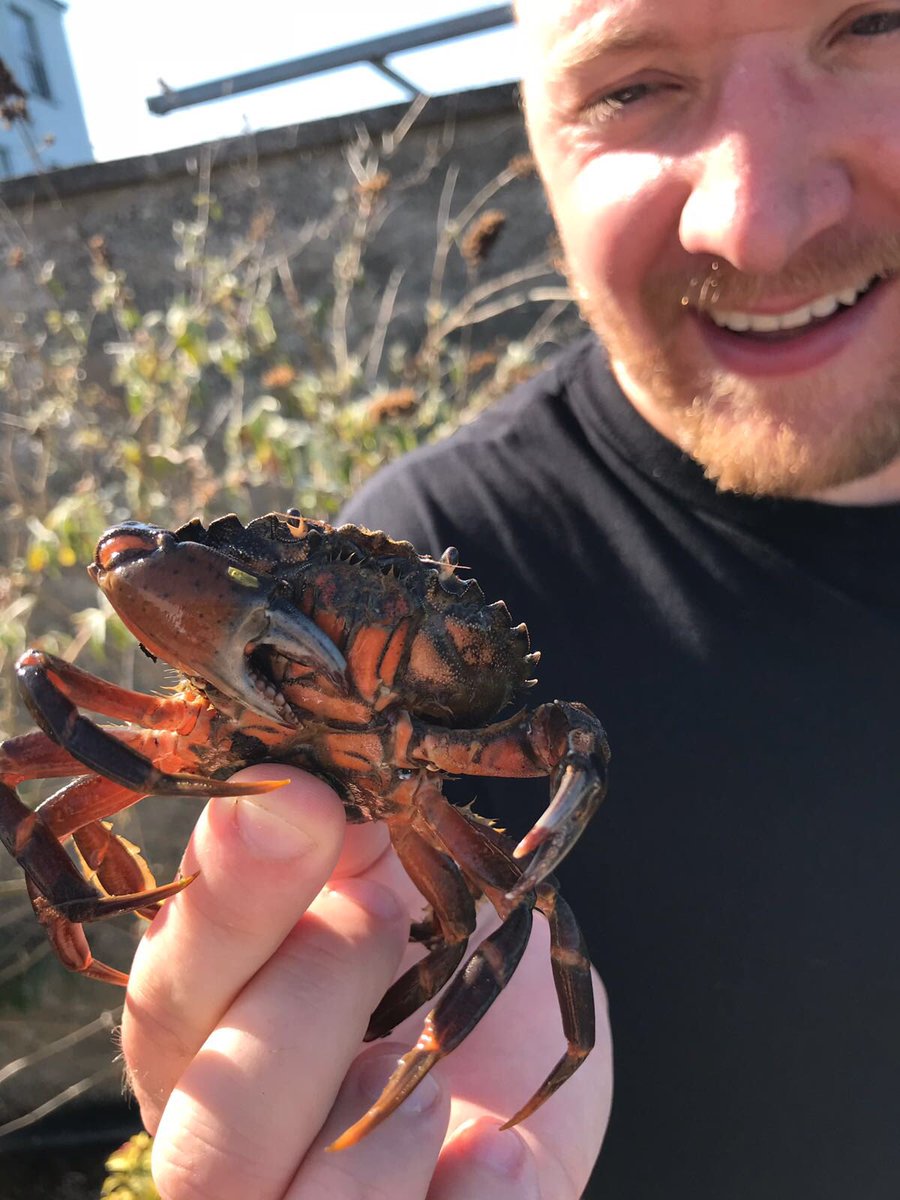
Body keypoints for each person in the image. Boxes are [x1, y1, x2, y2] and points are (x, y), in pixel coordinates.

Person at [120, 0, 900, 1196]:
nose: (753, 221)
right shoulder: (448, 539)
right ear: (535, 144)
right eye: (628, 88)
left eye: (875, 25)